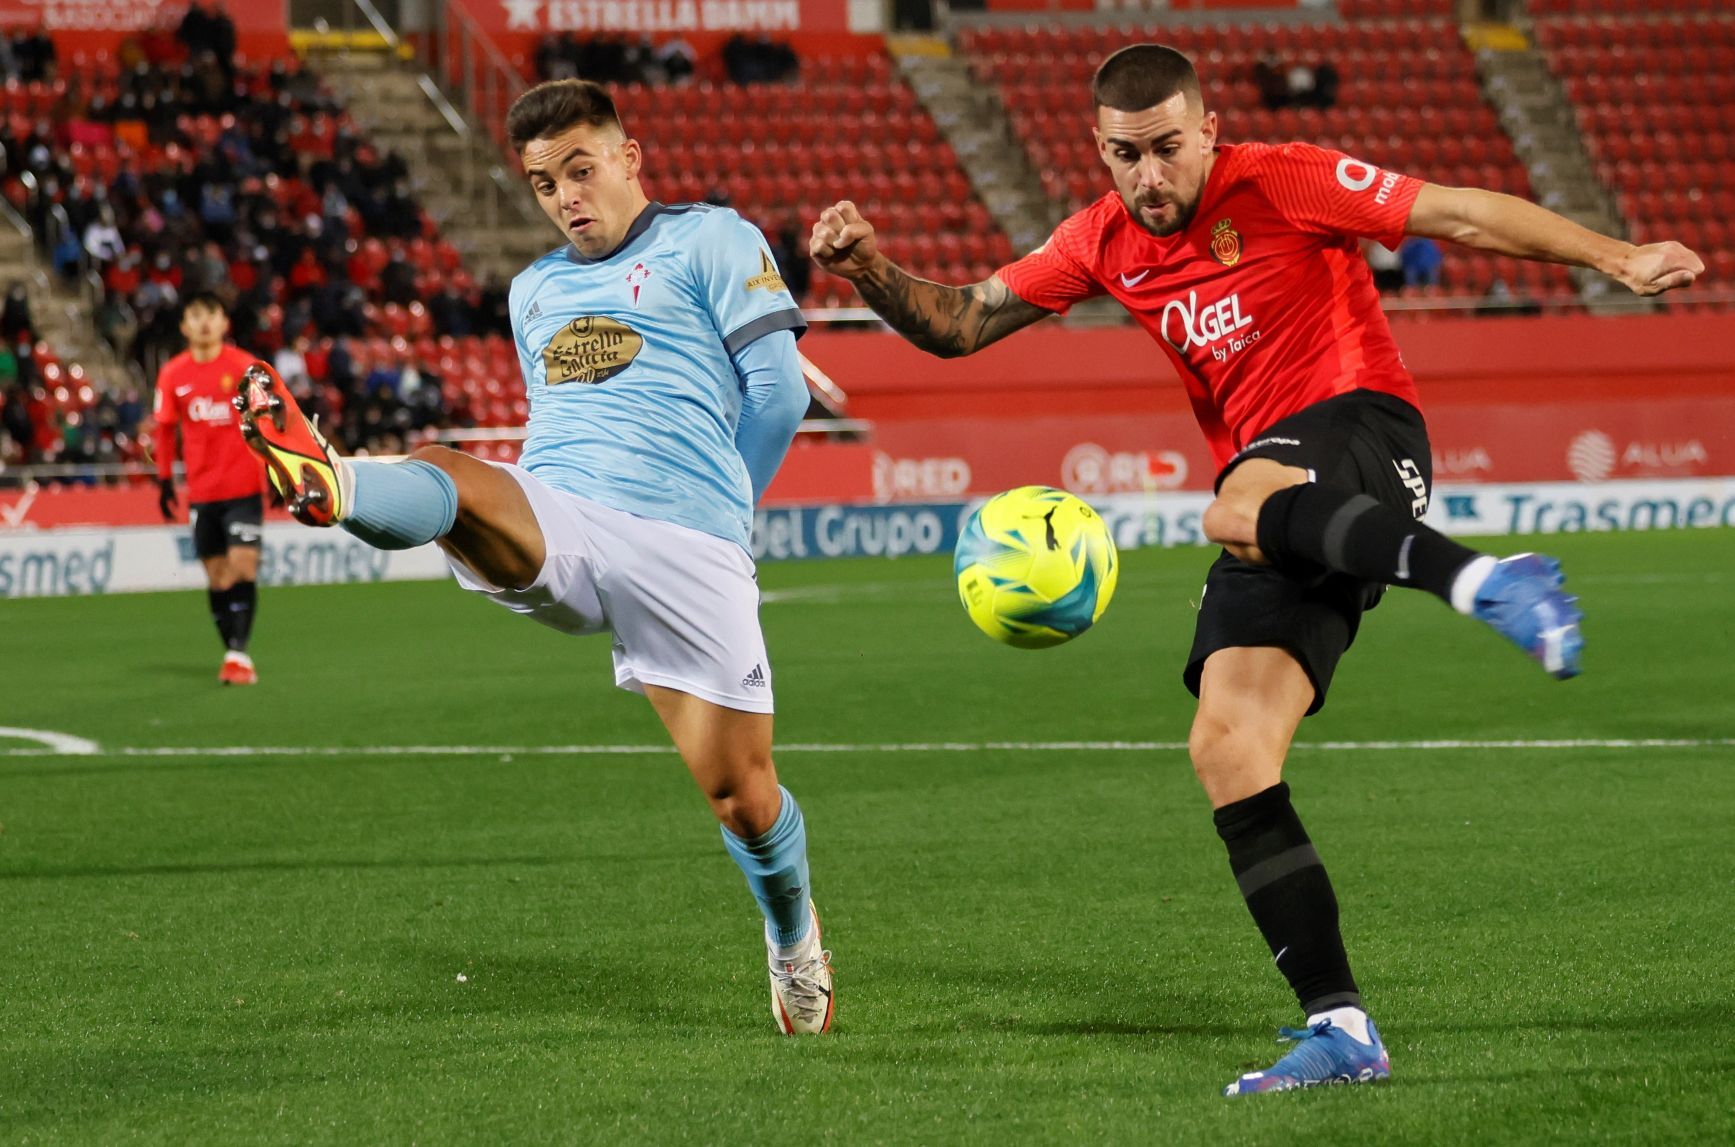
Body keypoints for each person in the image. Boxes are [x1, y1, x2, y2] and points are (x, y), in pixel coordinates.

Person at [810, 44, 1700, 1093]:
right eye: (1124, 155)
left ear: (1210, 131)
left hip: (1366, 427)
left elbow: (1456, 212)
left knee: (1235, 499)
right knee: (1228, 745)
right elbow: (962, 324)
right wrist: (865, 265)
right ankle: (1341, 1024)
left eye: (1167, 150)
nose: (1148, 176)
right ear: (1098, 152)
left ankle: (1489, 581)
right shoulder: (1098, 241)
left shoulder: (1281, 178)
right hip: (1281, 506)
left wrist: (1617, 257)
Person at [235, 79, 832, 1034]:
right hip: (560, 512)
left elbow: (777, 396)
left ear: (630, 160)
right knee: (447, 473)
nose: (564, 197)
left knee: (742, 799)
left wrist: (726, 518)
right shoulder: (535, 289)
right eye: (543, 182)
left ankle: (794, 940)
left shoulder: (712, 239)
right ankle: (336, 482)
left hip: (688, 545)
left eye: (581, 170)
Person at [152, 292, 272, 685]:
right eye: (196, 315)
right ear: (184, 326)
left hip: (243, 487)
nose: (204, 323)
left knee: (243, 565)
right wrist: (166, 479)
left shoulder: (244, 368)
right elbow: (165, 430)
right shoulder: (173, 374)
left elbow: (268, 422)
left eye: (212, 315)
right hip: (203, 492)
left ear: (224, 323)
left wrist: (275, 469)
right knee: (218, 577)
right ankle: (234, 651)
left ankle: (238, 653)